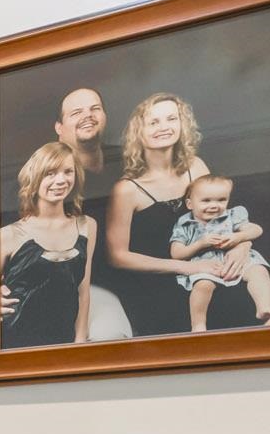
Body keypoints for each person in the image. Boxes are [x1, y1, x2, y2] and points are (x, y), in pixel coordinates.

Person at [100, 91, 239, 337]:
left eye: (171, 119)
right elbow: (118, 256)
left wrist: (241, 248)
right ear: (139, 132)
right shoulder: (127, 189)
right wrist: (186, 268)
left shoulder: (196, 167)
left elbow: (226, 220)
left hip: (207, 271)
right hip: (157, 287)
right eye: (154, 122)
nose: (164, 127)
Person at [0, 87, 132, 340]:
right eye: (76, 112)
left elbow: (83, 289)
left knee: (109, 335)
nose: (88, 116)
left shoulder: (126, 164)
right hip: (35, 305)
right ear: (59, 127)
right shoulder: (18, 202)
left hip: (102, 288)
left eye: (95, 109)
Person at [0, 142, 94, 349]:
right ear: (35, 178)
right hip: (15, 342)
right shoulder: (7, 235)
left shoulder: (87, 226)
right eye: (50, 173)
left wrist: (80, 344)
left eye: (68, 172)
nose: (61, 180)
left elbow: (83, 291)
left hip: (63, 342)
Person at [167, 172, 270, 330]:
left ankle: (265, 309)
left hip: (238, 260)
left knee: (259, 272)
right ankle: (198, 325)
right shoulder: (185, 223)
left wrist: (238, 237)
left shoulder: (232, 215)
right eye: (206, 201)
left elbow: (256, 229)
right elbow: (176, 253)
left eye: (221, 200)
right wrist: (200, 243)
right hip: (206, 265)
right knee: (202, 286)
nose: (214, 205)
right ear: (190, 204)